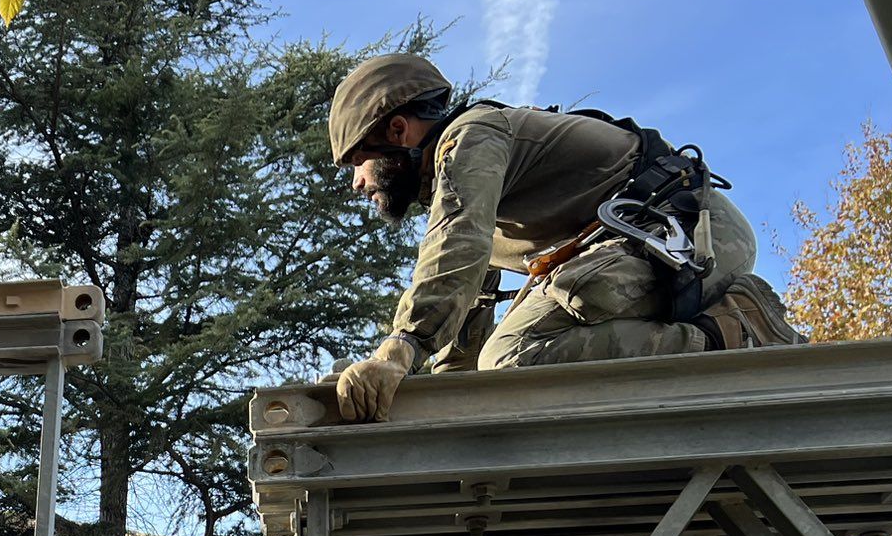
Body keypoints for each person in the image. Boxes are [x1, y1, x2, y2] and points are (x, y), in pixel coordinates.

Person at [326, 54, 799, 425]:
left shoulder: (471, 138)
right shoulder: (477, 188)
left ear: (397, 131)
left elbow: (456, 246)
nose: (356, 183)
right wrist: (437, 406)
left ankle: (733, 332)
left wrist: (394, 356)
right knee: (506, 376)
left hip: (693, 237)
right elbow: (465, 313)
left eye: (357, 162)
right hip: (655, 247)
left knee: (514, 361)